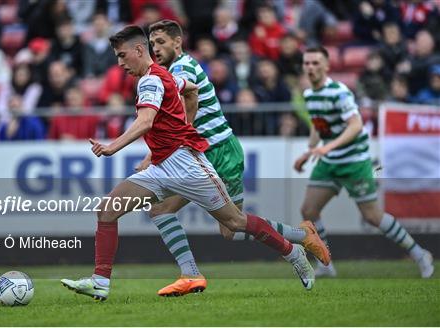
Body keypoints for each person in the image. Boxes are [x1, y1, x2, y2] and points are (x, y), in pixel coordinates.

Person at [61, 25, 316, 301]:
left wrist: (113, 146)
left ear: (138, 50)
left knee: (235, 222)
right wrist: (185, 125)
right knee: (108, 209)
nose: (120, 64)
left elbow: (145, 121)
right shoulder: (163, 76)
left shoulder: (150, 81)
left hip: (188, 166)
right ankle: (101, 281)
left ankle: (294, 252)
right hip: (161, 167)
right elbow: (191, 90)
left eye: (123, 56)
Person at [145, 19, 328, 296]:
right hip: (207, 152)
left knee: (210, 220)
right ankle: (301, 237)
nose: (155, 48)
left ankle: (296, 245)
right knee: (228, 228)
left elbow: (180, 118)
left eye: (161, 42)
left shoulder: (181, 69)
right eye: (152, 43)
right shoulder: (175, 69)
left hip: (218, 153)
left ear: (177, 42)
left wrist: (153, 153)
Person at [294, 46, 434, 278]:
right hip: (329, 162)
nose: (310, 67)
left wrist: (328, 146)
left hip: (353, 161)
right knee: (308, 209)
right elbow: (318, 125)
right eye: (307, 63)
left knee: (373, 216)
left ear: (327, 66)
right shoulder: (310, 95)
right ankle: (326, 265)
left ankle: (420, 254)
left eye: (315, 63)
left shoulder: (339, 92)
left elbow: (356, 125)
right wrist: (309, 152)